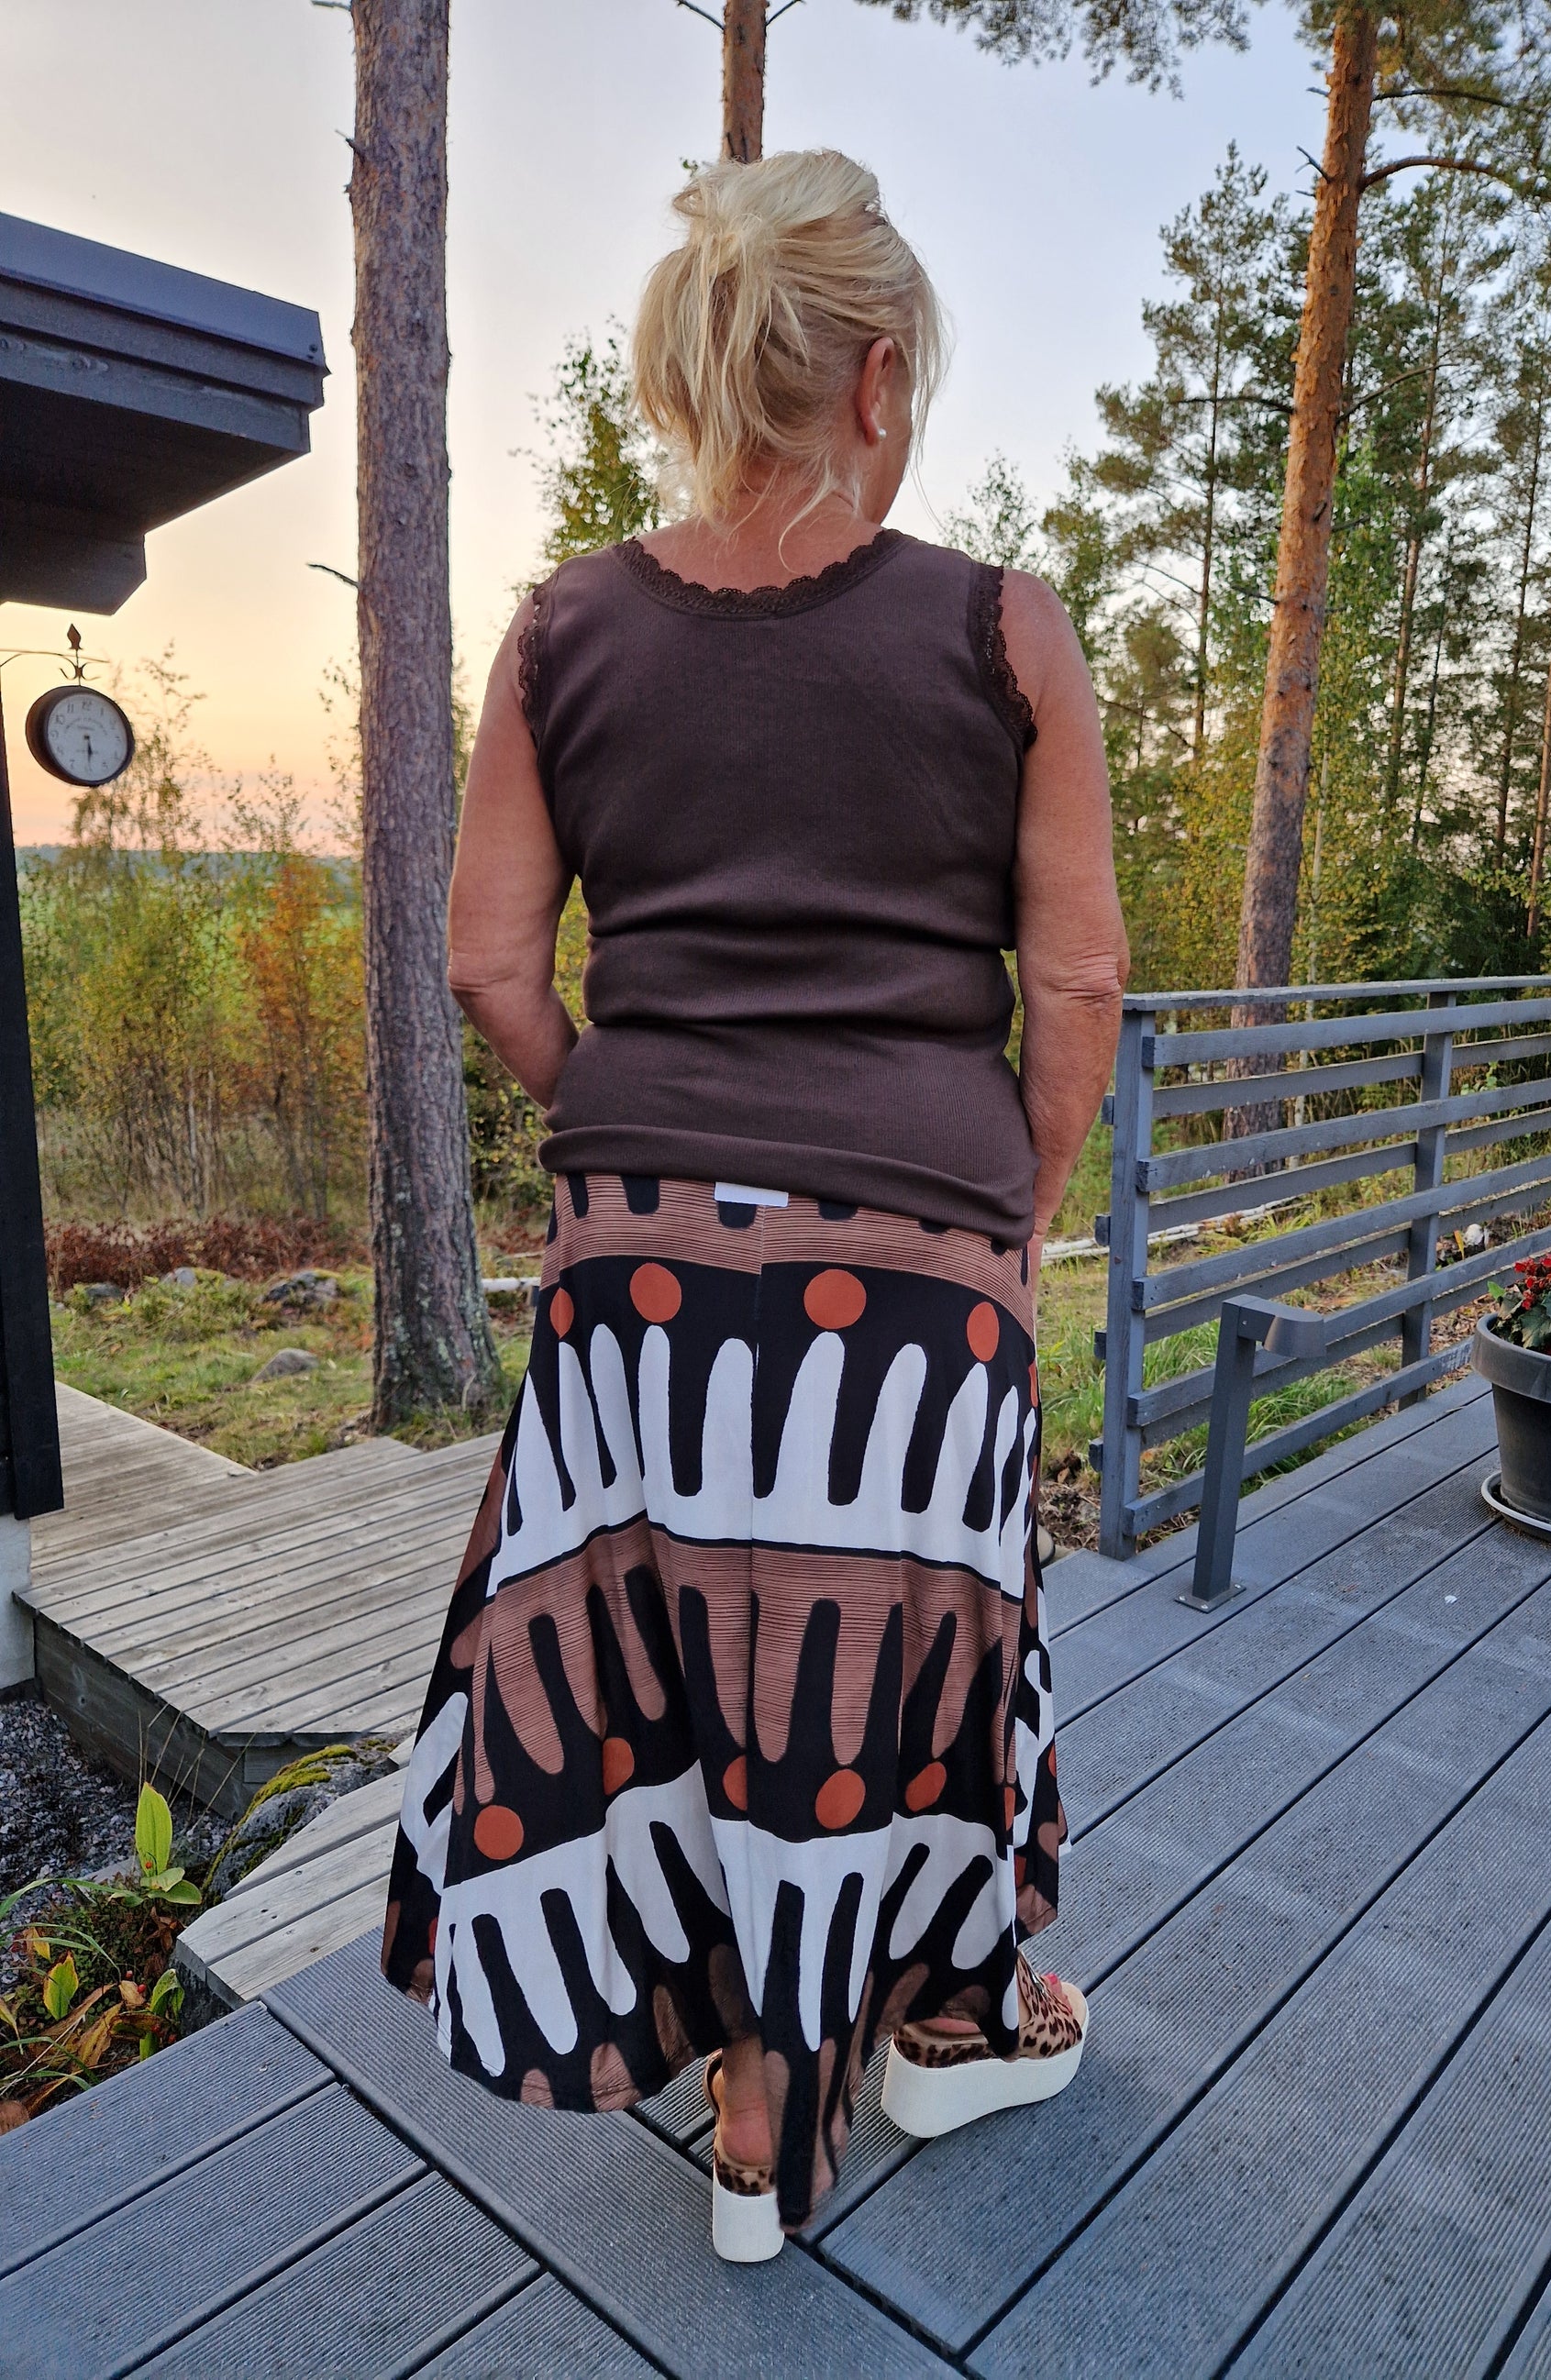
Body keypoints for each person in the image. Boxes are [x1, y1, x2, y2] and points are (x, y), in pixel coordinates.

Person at [382, 148, 1128, 2262]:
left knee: (674, 1660)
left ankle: (743, 2092)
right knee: (894, 1655)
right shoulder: (1000, 627)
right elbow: (1077, 980)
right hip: (919, 1262)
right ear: (876, 375)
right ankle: (941, 2020)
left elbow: (491, 965)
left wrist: (637, 1139)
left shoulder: (563, 628)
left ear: (691, 373)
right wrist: (1010, 1210)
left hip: (639, 1273)